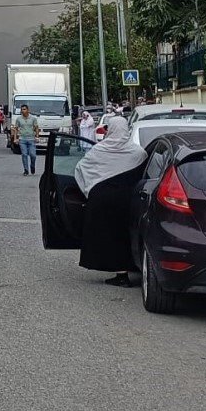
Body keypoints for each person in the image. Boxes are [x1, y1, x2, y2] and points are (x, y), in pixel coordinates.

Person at [73, 118, 148, 287]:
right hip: (130, 201)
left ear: (111, 129)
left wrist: (89, 190)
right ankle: (129, 270)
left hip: (102, 200)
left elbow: (81, 169)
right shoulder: (138, 153)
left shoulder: (98, 151)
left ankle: (119, 272)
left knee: (109, 236)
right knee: (126, 235)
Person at [11, 104, 40, 177]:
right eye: (22, 109)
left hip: (31, 139)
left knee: (33, 155)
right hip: (22, 139)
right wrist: (15, 138)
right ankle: (26, 170)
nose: (22, 111)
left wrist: (37, 137)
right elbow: (16, 129)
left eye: (24, 109)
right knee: (24, 154)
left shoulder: (33, 118)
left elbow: (36, 128)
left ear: (28, 110)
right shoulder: (19, 119)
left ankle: (32, 166)